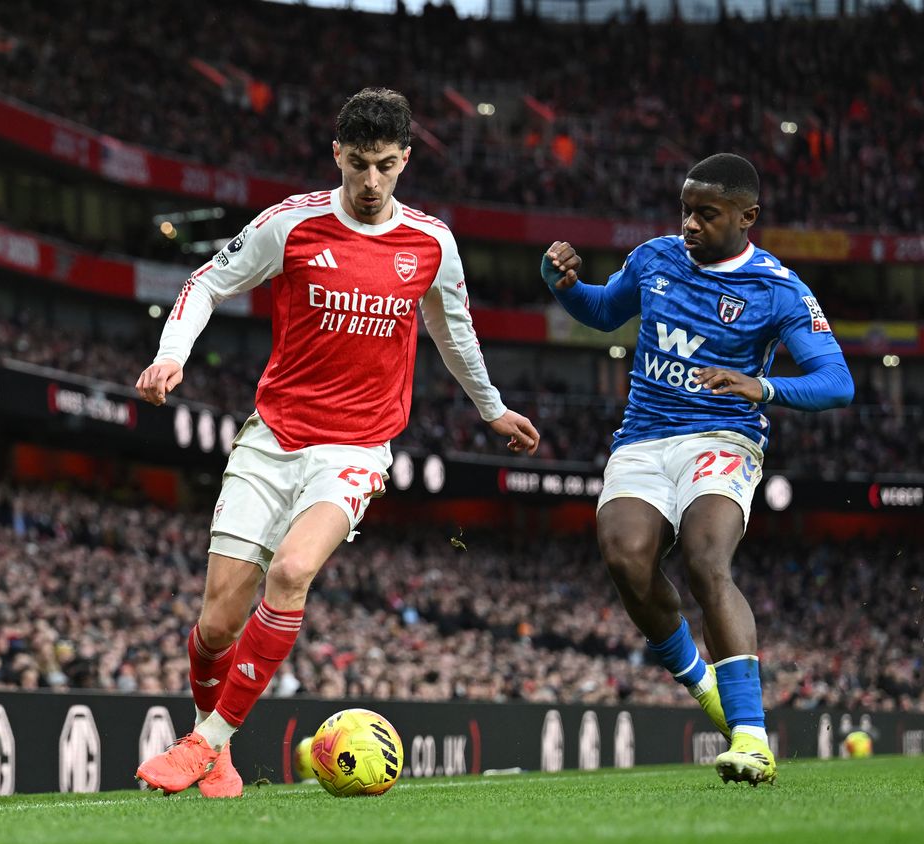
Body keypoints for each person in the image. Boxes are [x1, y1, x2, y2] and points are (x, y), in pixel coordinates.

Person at [134, 87, 540, 797]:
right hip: (272, 439)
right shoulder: (290, 225)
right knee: (217, 622)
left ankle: (206, 742)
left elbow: (455, 334)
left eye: (386, 165)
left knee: (292, 572)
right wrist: (174, 354)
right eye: (359, 164)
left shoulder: (430, 243)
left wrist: (493, 408)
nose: (372, 182)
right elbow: (204, 282)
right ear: (337, 155)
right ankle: (215, 742)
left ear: (406, 159)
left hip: (354, 450)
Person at [541, 153, 853, 785]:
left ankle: (750, 736)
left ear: (747, 218)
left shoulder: (778, 288)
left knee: (706, 559)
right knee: (625, 558)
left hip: (723, 436)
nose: (689, 224)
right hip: (644, 438)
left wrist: (761, 387)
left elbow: (836, 381)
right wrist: (563, 285)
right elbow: (604, 310)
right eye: (685, 210)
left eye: (706, 215)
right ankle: (699, 680)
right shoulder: (655, 257)